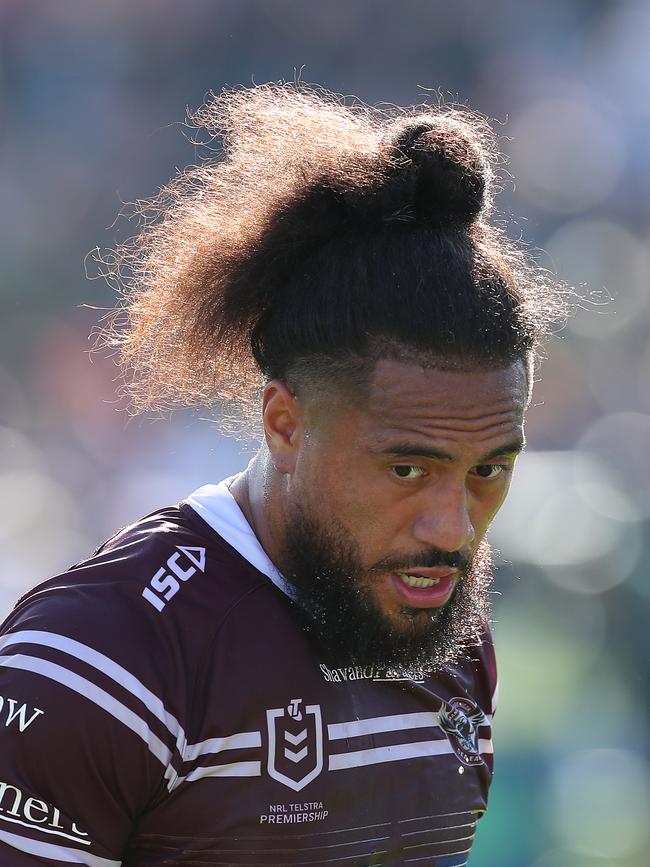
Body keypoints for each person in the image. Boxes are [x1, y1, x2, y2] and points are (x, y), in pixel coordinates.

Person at [0, 83, 565, 866]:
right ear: (284, 424)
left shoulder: (441, 627)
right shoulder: (102, 661)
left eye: (489, 470)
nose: (454, 526)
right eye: (408, 467)